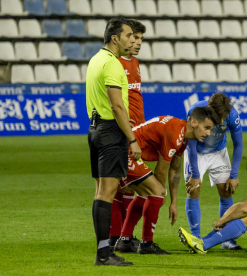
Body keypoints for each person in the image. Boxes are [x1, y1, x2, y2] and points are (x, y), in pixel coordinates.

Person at [114, 107, 219, 255]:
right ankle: (146, 244)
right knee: (156, 192)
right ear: (194, 122)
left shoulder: (183, 138)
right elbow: (161, 170)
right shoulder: (175, 133)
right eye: (206, 128)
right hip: (126, 152)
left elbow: (175, 170)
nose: (208, 133)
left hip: (126, 152)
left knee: (146, 195)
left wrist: (173, 202)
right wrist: (161, 194)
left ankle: (124, 241)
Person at [86, 16, 141, 266]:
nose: (133, 39)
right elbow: (117, 105)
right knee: (107, 194)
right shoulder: (113, 65)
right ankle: (104, 254)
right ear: (115, 38)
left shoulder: (95, 60)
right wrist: (132, 140)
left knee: (100, 192)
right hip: (110, 132)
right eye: (129, 35)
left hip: (95, 128)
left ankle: (103, 250)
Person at [184, 93, 243, 250]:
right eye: (219, 117)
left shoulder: (233, 115)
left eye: (224, 116)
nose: (222, 121)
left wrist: (234, 175)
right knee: (193, 190)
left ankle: (226, 239)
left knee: (226, 191)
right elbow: (190, 142)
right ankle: (195, 238)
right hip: (196, 152)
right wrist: (195, 175)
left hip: (218, 152)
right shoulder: (195, 111)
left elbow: (238, 145)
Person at [109, 19, 146, 249]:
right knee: (120, 184)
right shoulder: (114, 63)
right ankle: (118, 236)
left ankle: (122, 235)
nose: (137, 42)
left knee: (128, 185)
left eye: (141, 38)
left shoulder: (135, 63)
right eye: (134, 37)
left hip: (139, 130)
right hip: (125, 130)